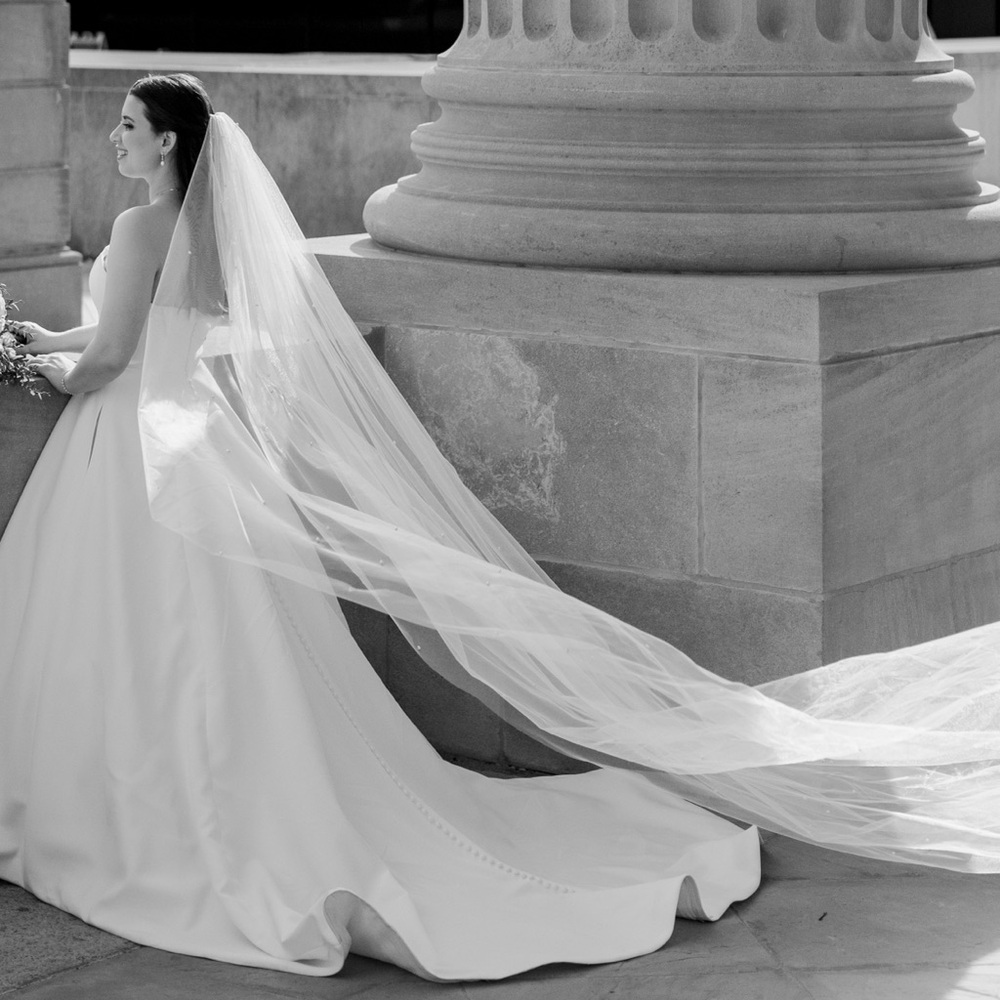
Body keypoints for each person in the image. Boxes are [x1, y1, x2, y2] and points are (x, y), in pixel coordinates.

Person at [1, 74, 997, 982]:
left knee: (142, 649)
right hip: (205, 442)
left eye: (129, 129)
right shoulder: (206, 228)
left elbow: (111, 361)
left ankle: (154, 815)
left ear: (170, 144)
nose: (116, 144)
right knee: (232, 663)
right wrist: (48, 337)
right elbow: (144, 328)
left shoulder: (139, 226)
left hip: (141, 446)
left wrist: (37, 367)